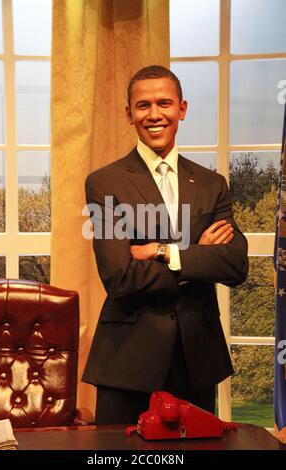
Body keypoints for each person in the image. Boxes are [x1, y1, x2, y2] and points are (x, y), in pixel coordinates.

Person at [82, 65, 248, 424]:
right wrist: (199, 257)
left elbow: (235, 265)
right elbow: (120, 276)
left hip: (198, 360)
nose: (154, 115)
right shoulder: (105, 183)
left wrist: (164, 251)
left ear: (182, 109)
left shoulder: (211, 184)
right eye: (143, 106)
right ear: (129, 114)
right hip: (128, 364)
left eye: (164, 103)